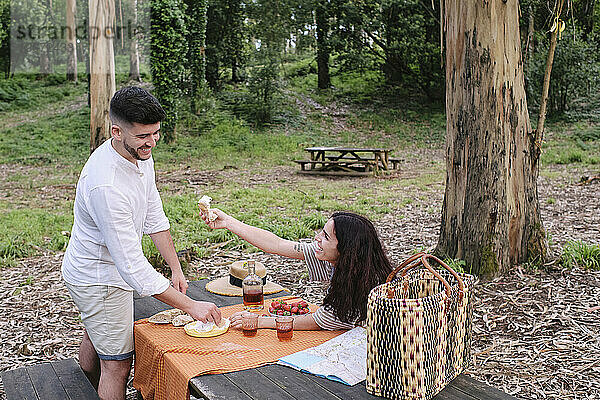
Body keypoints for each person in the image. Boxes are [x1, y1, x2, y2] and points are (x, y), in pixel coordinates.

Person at [62, 87, 220, 400]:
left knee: (98, 335)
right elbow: (132, 266)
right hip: (99, 278)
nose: (151, 142)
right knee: (118, 365)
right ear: (116, 132)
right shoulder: (106, 186)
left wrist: (176, 268)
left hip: (110, 271)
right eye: (143, 136)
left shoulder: (139, 155)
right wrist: (191, 306)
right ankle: (86, 390)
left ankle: (84, 390)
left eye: (156, 133)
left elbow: (153, 213)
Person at [200, 208, 393, 331]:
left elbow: (319, 321)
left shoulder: (366, 285)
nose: (317, 238)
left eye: (325, 237)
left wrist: (260, 321)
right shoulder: (340, 260)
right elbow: (275, 244)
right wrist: (229, 223)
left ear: (346, 250)